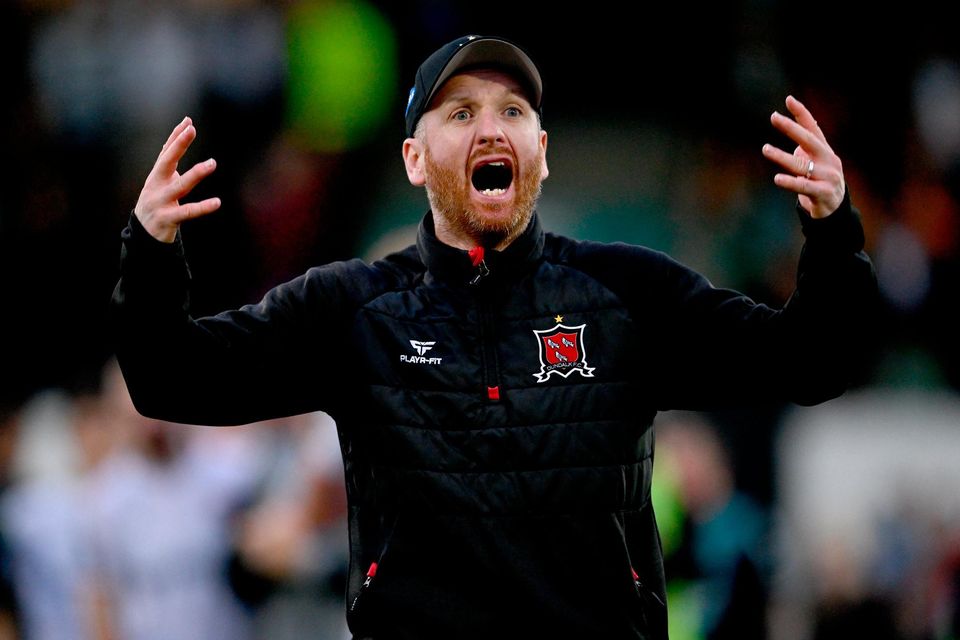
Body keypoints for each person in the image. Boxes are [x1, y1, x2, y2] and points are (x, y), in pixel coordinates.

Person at [111, 34, 878, 639]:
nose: (492, 127)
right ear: (414, 160)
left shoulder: (626, 294)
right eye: (461, 112)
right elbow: (170, 379)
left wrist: (834, 232)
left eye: (513, 112)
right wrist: (148, 254)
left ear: (540, 153)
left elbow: (814, 360)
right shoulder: (350, 309)